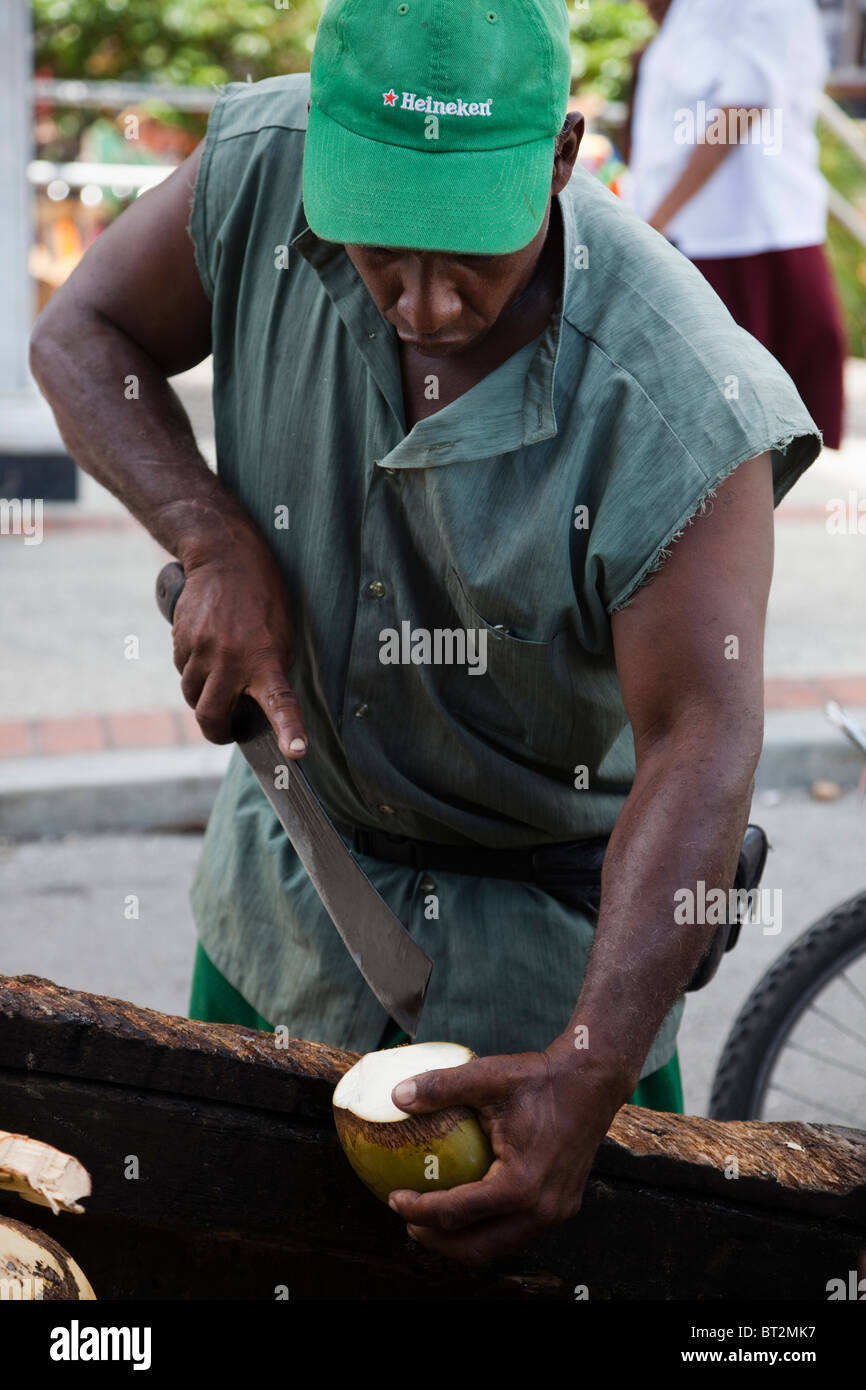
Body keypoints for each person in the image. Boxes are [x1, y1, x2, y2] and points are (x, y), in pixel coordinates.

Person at [30, 0, 820, 1265]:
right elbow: (83, 335)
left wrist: (586, 1067)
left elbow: (701, 734)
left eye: (472, 256)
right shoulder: (260, 165)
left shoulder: (678, 397)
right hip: (287, 910)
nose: (425, 301)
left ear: (561, 158)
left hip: (546, 991)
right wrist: (209, 533)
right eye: (379, 250)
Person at [629, 0, 845, 449]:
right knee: (700, 428)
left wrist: (657, 220)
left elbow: (739, 115)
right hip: (693, 234)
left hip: (742, 235)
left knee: (738, 428)